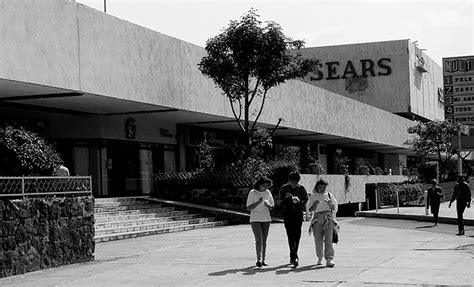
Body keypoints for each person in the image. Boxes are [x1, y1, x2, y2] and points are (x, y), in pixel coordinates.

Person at [306, 179, 338, 268]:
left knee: (329, 239)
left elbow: (334, 207)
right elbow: (309, 209)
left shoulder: (329, 195)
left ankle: (329, 259)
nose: (322, 189)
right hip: (317, 218)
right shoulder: (313, 196)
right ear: (317, 188)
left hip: (328, 218)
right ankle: (319, 257)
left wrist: (330, 204)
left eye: (324, 187)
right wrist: (315, 205)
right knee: (318, 239)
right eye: (320, 187)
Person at [279, 171, 308, 267]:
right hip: (288, 213)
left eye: (296, 182)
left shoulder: (301, 189)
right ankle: (294, 257)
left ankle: (294, 255)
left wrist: (299, 200)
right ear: (289, 181)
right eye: (292, 182)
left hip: (298, 214)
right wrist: (285, 198)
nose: (294, 184)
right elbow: (279, 201)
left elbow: (305, 200)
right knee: (290, 235)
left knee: (297, 235)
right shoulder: (284, 188)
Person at [246, 176, 274, 267]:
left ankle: (263, 260)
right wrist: (258, 203)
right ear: (259, 185)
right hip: (255, 219)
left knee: (264, 240)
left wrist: (268, 205)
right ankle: (259, 259)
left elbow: (272, 207)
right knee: (259, 239)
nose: (265, 188)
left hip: (266, 219)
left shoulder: (268, 193)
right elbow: (248, 207)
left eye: (267, 186)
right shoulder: (252, 193)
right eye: (264, 186)